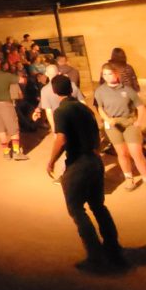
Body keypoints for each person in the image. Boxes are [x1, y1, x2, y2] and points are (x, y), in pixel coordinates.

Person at [46, 75, 127, 273]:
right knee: (98, 206)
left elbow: (61, 139)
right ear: (71, 89)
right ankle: (113, 248)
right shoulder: (85, 109)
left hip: (78, 163)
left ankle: (95, 255)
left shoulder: (61, 111)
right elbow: (96, 133)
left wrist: (51, 161)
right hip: (94, 160)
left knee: (76, 209)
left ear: (54, 92)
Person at [93, 63, 146, 199]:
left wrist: (139, 122)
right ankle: (128, 178)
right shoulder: (100, 91)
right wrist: (107, 119)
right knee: (122, 153)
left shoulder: (127, 90)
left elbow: (141, 108)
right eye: (104, 74)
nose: (107, 77)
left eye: (110, 74)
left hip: (129, 123)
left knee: (136, 153)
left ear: (116, 74)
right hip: (113, 125)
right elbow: (100, 108)